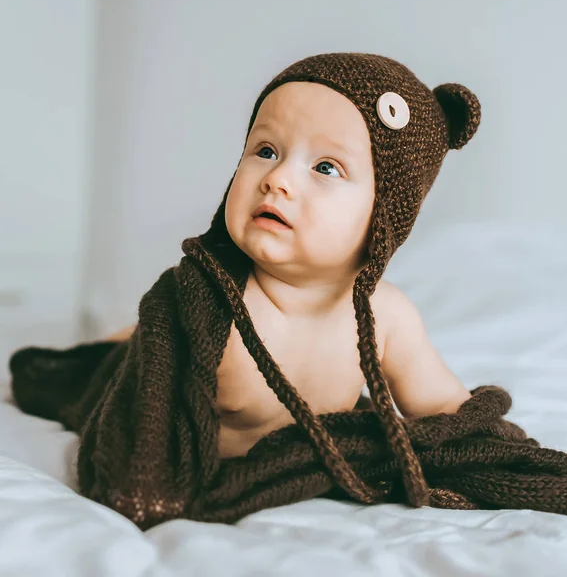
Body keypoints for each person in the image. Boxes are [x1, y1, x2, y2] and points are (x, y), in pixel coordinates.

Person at [105, 67, 475, 459]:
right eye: (266, 151)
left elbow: (445, 410)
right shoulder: (206, 298)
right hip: (121, 376)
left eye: (326, 167)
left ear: (385, 215)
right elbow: (139, 421)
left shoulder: (386, 316)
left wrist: (492, 453)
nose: (277, 178)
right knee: (99, 363)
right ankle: (113, 341)